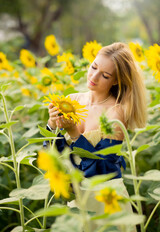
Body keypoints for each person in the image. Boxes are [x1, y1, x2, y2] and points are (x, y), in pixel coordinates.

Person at [44, 42, 147, 231]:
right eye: (94, 67)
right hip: (77, 201)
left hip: (106, 200)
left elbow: (102, 169)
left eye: (105, 75)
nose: (94, 77)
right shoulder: (72, 100)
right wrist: (51, 125)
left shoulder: (115, 113)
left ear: (116, 81)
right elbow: (49, 154)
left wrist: (74, 133)